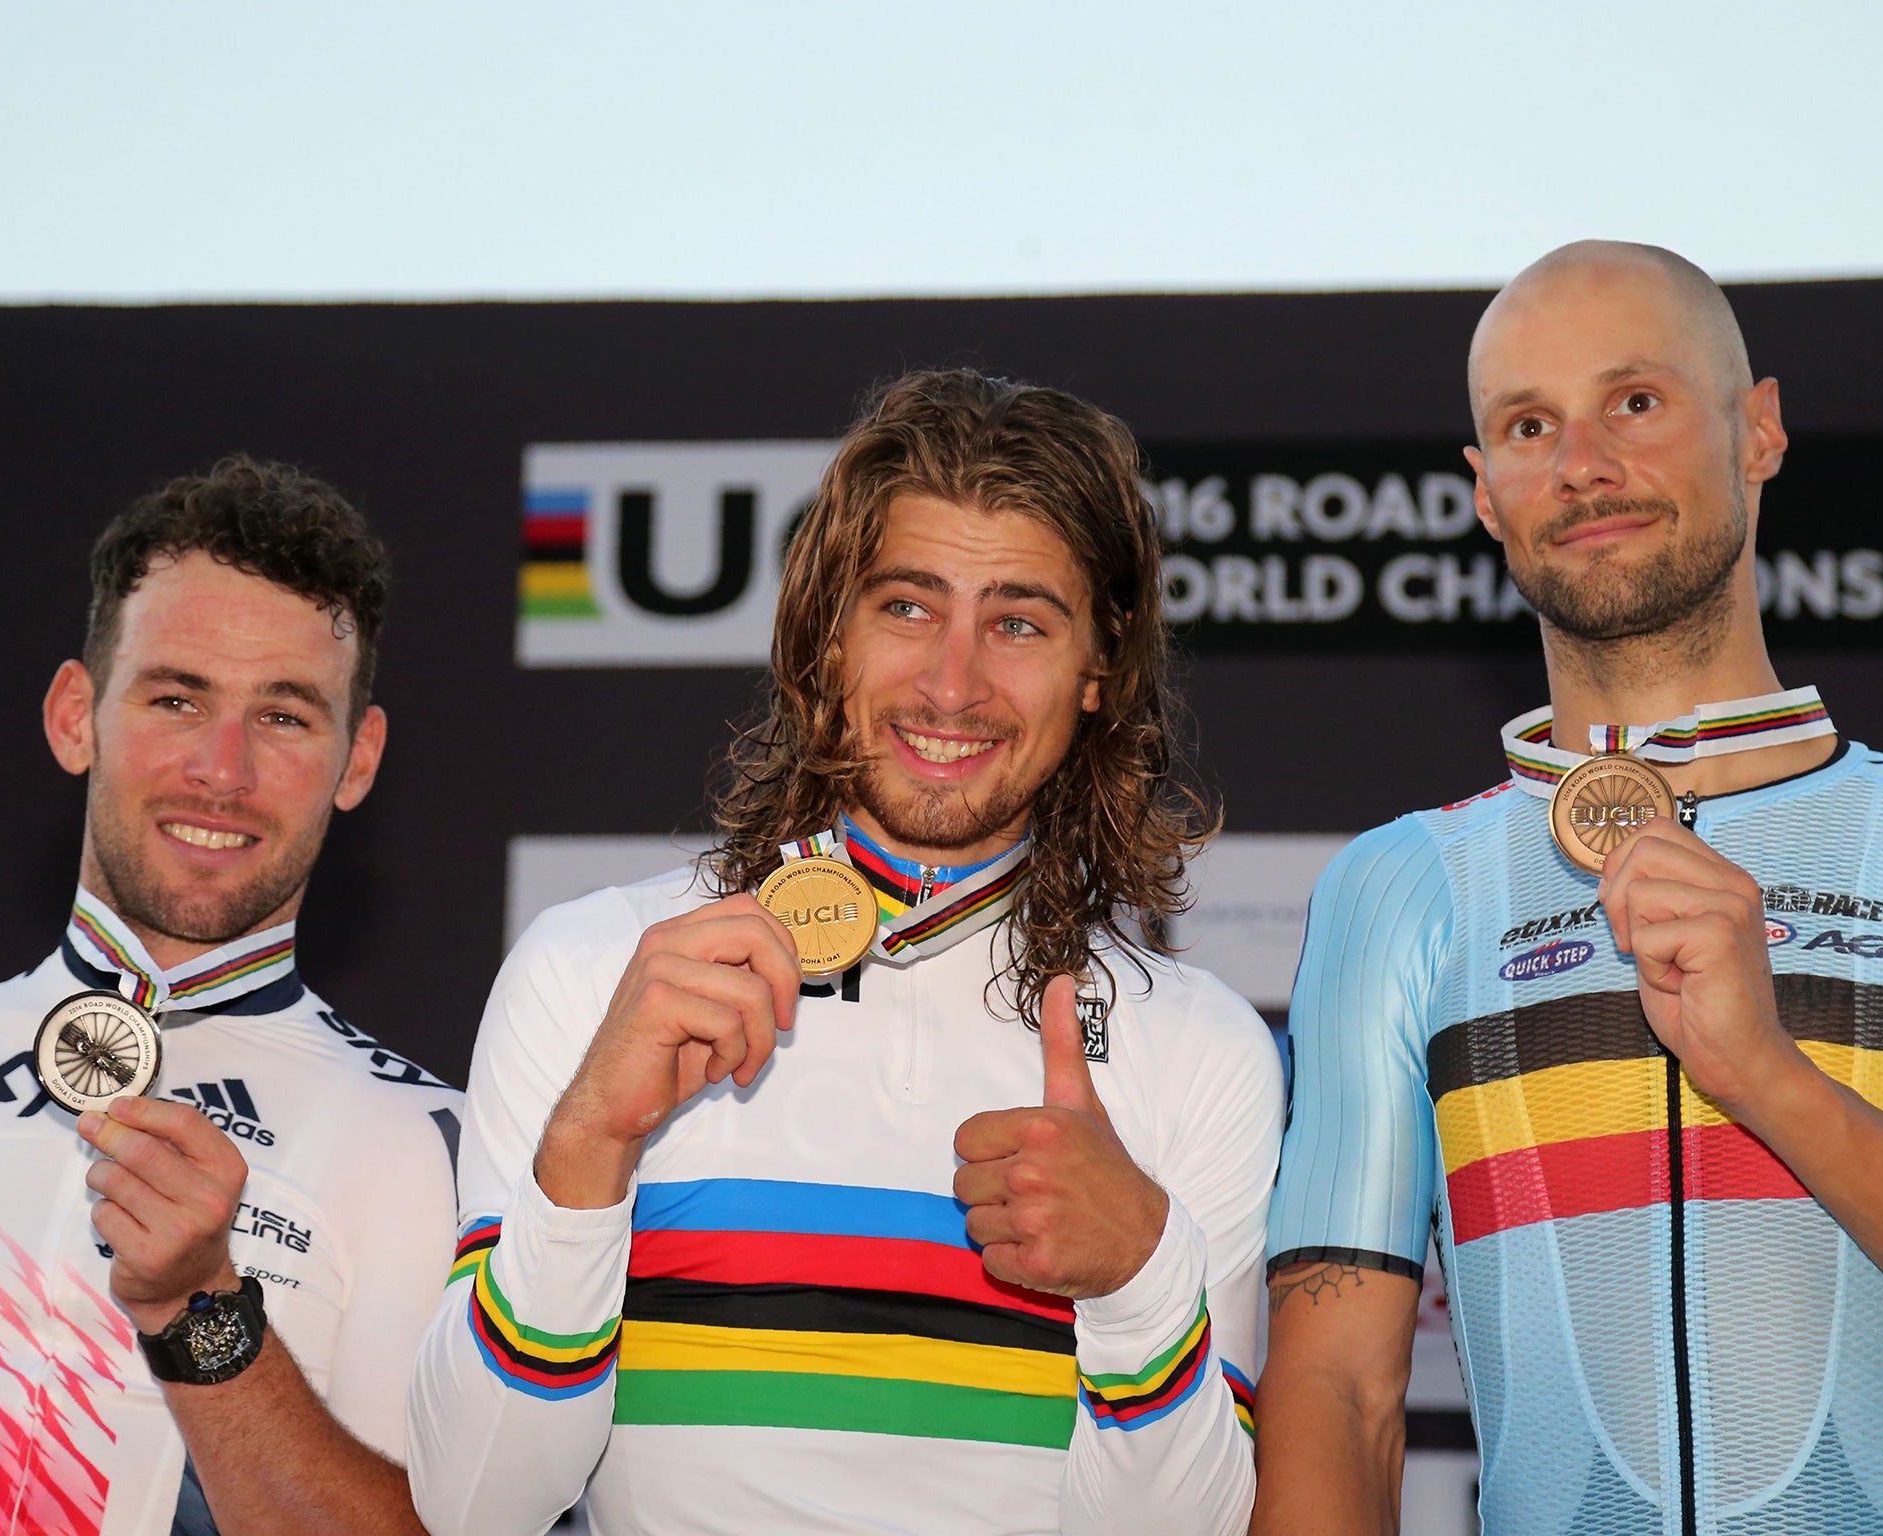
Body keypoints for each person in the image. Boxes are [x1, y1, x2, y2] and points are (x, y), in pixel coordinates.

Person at [407, 368, 1283, 1536]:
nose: (952, 683)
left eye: (1016, 622)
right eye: (906, 607)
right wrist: (589, 1146)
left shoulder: (1199, 1046)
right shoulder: (593, 971)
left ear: (1096, 671)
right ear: (826, 632)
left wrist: (1134, 1280)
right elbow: (474, 1504)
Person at [1250, 241, 1883, 1535]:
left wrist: (1763, 1068)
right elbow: (1339, 1389)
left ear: (1759, 430)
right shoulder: (1403, 889)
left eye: (1635, 402)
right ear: (1485, 493)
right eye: (1528, 425)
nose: (1581, 466)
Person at [0, 457, 462, 1534]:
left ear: (356, 758)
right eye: (176, 697)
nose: (222, 770)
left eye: (284, 717)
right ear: (74, 715)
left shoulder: (432, 1148)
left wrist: (204, 1312)